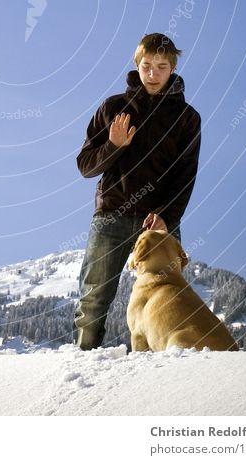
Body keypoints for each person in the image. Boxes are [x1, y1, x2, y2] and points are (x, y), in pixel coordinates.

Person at [73, 33, 201, 350]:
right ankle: (83, 364)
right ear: (137, 65)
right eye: (147, 66)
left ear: (172, 68)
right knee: (93, 299)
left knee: (167, 298)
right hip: (111, 217)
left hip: (157, 223)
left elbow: (185, 176)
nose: (153, 74)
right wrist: (114, 146)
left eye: (161, 66)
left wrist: (167, 217)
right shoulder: (113, 108)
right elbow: (86, 166)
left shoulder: (186, 118)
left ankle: (164, 373)